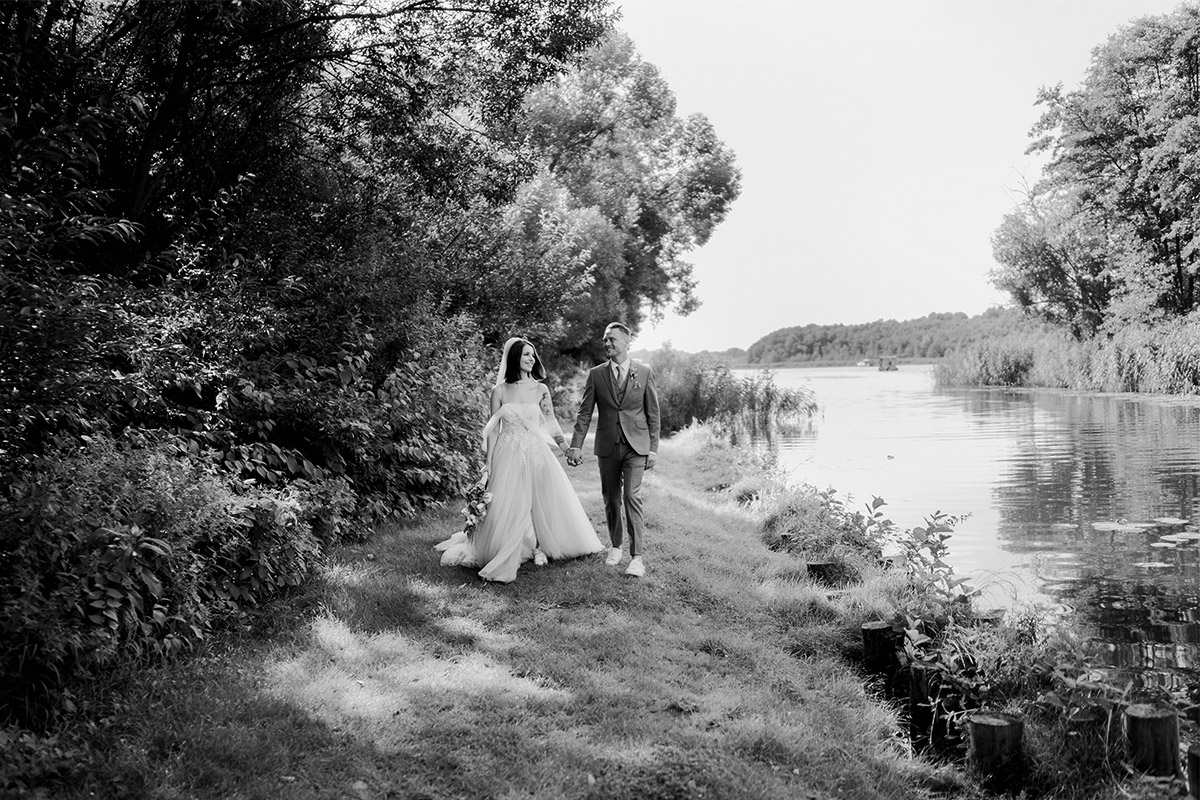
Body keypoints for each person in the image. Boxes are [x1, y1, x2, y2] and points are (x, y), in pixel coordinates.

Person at [435, 337, 603, 583]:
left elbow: (551, 421)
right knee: (511, 503)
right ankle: (516, 546)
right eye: (526, 354)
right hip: (508, 452)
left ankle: (541, 545)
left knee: (543, 499)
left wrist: (566, 448)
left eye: (533, 355)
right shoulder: (499, 391)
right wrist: (488, 463)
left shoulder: (540, 389)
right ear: (514, 358)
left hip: (536, 453)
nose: (531, 359)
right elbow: (493, 429)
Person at [566, 322, 660, 577]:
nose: (607, 344)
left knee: (631, 496)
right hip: (607, 446)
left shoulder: (644, 371)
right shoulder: (597, 374)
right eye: (605, 340)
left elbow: (653, 413)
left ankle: (637, 558)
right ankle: (616, 546)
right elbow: (585, 413)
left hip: (636, 446)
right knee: (611, 498)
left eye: (612, 340)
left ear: (627, 342)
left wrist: (653, 449)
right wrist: (576, 445)